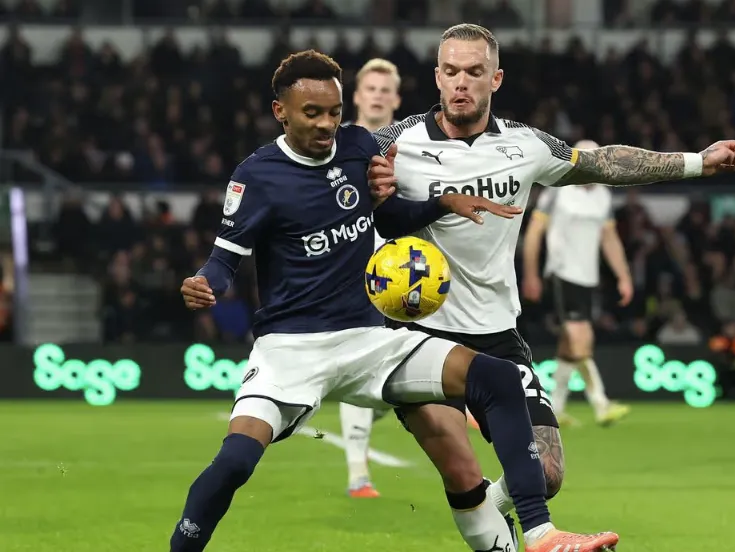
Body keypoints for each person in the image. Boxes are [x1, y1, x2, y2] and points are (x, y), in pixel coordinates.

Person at [169, 49, 620, 552]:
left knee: (494, 377)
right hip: (291, 349)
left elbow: (388, 220)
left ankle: (539, 532)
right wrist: (203, 282)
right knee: (234, 462)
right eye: (311, 114)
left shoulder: (359, 146)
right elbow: (222, 261)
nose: (326, 125)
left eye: (334, 113)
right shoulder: (256, 175)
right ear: (281, 111)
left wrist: (441, 203)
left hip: (369, 338)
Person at [367, 22, 735, 551]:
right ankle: (528, 533)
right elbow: (328, 166)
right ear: (436, 76)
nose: (461, 83)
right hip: (420, 335)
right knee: (461, 469)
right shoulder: (394, 143)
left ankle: (506, 521)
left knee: (544, 473)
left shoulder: (525, 144)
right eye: (451, 71)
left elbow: (603, 162)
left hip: (497, 332)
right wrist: (362, 179)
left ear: (495, 78)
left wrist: (698, 162)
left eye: (474, 72)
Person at [521, 139, 633, 427]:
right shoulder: (557, 190)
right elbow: (534, 233)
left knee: (570, 346)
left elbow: (609, 238)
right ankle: (601, 403)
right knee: (582, 338)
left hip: (588, 276)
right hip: (562, 272)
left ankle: (554, 407)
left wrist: (623, 275)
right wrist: (531, 274)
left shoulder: (603, 196)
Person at [338, 57, 403, 499]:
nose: (378, 95)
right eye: (371, 88)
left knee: (389, 385)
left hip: (405, 272)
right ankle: (358, 473)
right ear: (357, 96)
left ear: (396, 99)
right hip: (353, 270)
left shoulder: (414, 142)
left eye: (386, 89)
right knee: (357, 363)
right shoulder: (339, 144)